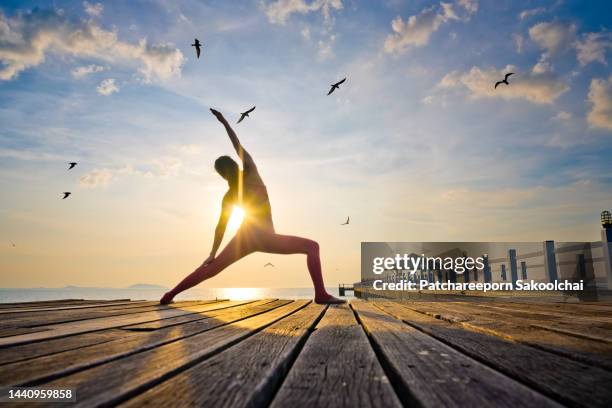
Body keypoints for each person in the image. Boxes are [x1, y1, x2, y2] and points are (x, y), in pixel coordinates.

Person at [160, 109, 345, 305]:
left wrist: (212, 254)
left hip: (244, 238)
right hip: (266, 237)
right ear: (234, 163)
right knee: (312, 247)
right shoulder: (251, 173)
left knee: (211, 270)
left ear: (222, 175)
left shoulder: (229, 196)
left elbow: (220, 227)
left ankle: (169, 295)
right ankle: (321, 294)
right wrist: (223, 121)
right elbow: (236, 144)